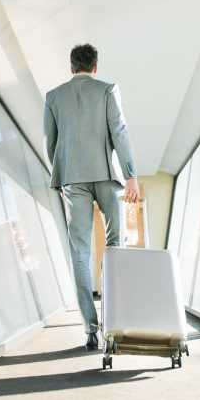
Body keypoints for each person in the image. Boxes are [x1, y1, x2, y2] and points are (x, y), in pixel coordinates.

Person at [43, 43, 139, 350]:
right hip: (106, 175)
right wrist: (130, 175)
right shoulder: (108, 90)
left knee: (80, 254)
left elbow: (51, 143)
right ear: (94, 67)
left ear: (72, 68)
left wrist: (61, 176)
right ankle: (113, 319)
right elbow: (119, 131)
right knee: (115, 246)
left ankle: (91, 329)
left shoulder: (53, 97)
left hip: (73, 179)